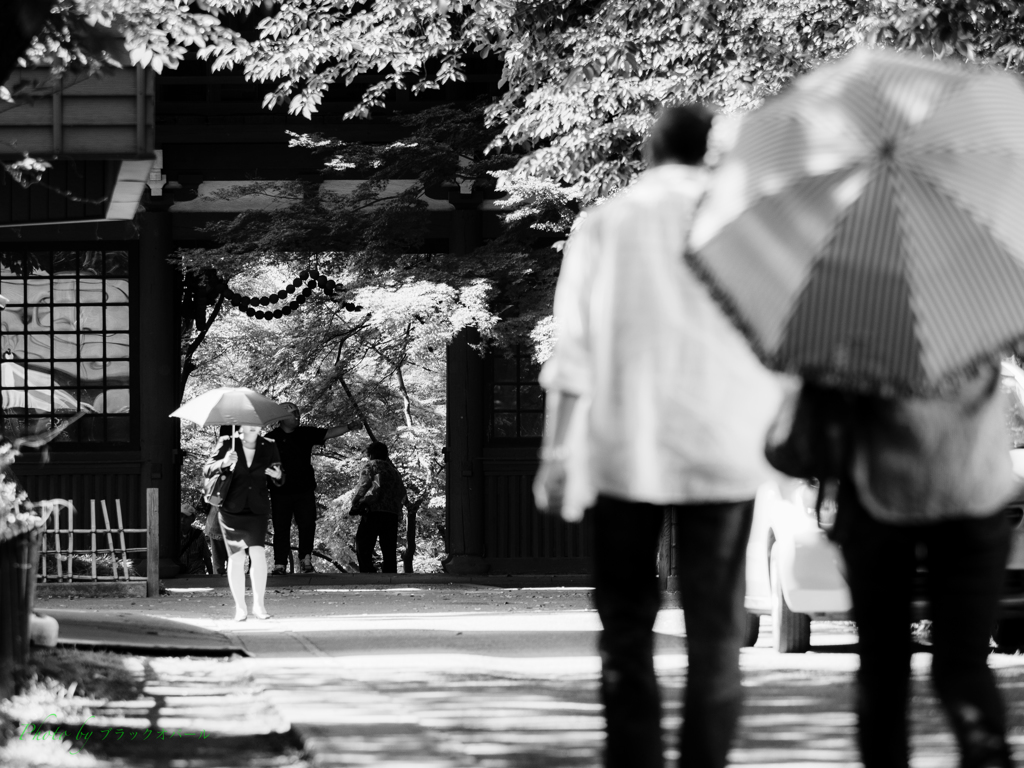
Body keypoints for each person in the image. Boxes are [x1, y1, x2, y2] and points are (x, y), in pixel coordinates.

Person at [533, 104, 782, 768]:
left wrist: (556, 455)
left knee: (624, 628)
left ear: (649, 151)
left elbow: (575, 351)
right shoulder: (747, 219)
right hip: (723, 448)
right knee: (714, 632)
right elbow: (777, 334)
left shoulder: (606, 223)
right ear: (707, 154)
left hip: (623, 446)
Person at [830, 364, 1019, 768]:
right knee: (964, 667)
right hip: (973, 489)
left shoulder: (852, 313)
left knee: (882, 671)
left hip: (878, 492)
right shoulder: (983, 306)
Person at [266, 403, 360, 574]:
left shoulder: (305, 433)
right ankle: (280, 563)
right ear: (282, 418)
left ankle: (306, 560)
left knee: (307, 525)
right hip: (279, 492)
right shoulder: (270, 438)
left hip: (304, 490)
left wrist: (349, 427)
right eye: (293, 414)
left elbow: (329, 433)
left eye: (298, 414)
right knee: (281, 527)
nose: (297, 417)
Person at [204, 424, 284, 621]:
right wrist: (224, 462)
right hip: (231, 508)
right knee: (237, 557)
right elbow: (207, 469)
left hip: (257, 508)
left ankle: (259, 605)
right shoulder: (227, 443)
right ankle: (240, 607)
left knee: (257, 553)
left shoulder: (269, 445)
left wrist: (278, 475)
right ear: (241, 428)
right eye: (248, 427)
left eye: (256, 427)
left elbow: (280, 474)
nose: (252, 431)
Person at [351, 441, 406, 574]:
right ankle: (390, 575)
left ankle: (368, 574)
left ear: (370, 455)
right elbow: (402, 492)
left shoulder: (371, 466)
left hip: (372, 511)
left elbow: (364, 485)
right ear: (386, 455)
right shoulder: (394, 471)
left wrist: (356, 502)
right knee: (389, 548)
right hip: (391, 513)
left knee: (363, 545)